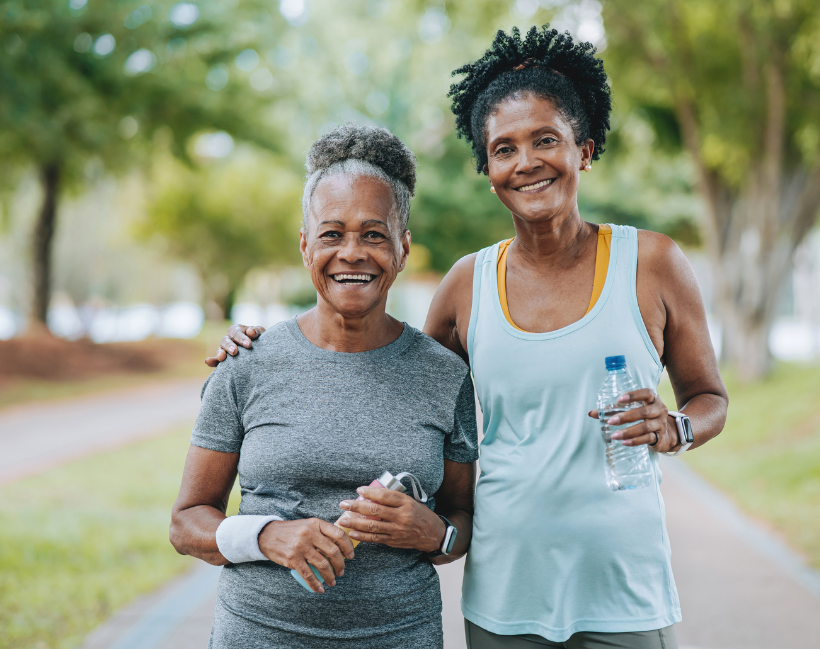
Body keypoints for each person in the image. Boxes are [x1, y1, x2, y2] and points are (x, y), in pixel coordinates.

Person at [211, 26, 728, 649]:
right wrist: (274, 347)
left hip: (624, 579)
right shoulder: (466, 285)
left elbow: (710, 398)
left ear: (584, 148)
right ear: (488, 170)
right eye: (504, 149)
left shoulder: (653, 262)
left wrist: (677, 427)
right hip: (506, 584)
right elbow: (394, 367)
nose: (527, 162)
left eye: (547, 140)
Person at [170, 124, 478, 649]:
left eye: (374, 234)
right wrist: (267, 536)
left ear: (402, 248)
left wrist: (436, 534)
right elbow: (186, 524)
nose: (352, 252)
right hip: (259, 634)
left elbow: (460, 518)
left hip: (401, 635)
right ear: (305, 245)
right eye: (332, 234)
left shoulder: (445, 375)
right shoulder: (248, 364)